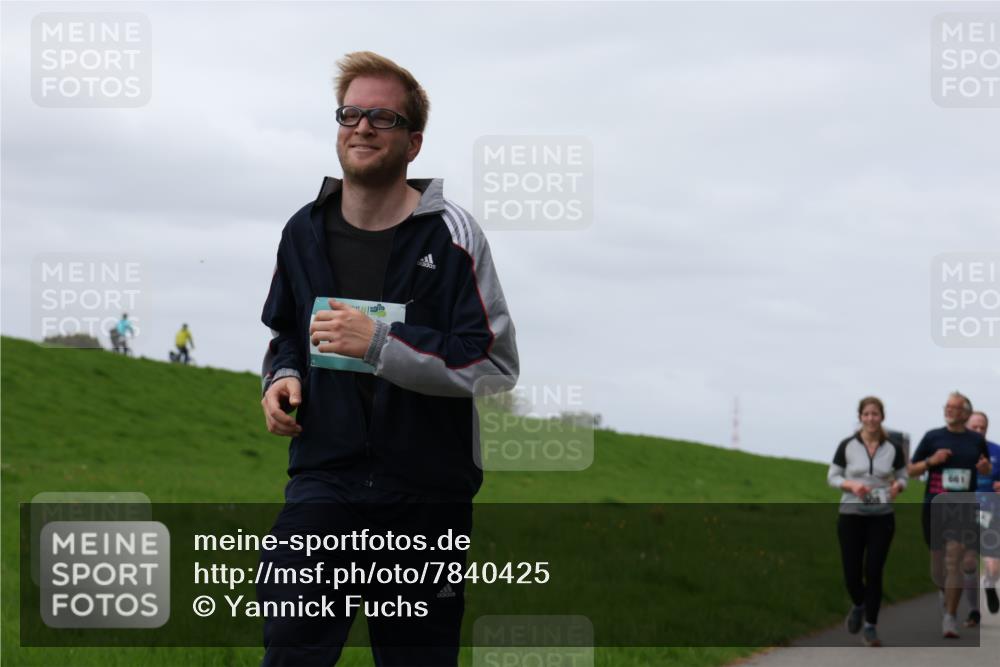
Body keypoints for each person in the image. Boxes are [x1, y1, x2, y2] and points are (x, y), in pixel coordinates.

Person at [257, 51, 518, 666]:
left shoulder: (453, 235)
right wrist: (283, 376)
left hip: (426, 491)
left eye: (382, 117)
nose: (363, 127)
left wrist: (377, 346)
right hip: (325, 479)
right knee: (290, 645)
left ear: (414, 142)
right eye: (350, 113)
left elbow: (493, 364)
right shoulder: (304, 230)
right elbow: (286, 334)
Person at [908, 392, 992, 638]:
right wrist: (931, 461)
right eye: (947, 406)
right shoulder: (932, 437)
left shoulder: (976, 440)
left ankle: (950, 617)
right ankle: (945, 593)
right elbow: (911, 470)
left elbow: (984, 464)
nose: (949, 411)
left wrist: (985, 468)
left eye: (955, 408)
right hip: (934, 506)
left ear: (965, 413)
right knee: (938, 565)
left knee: (953, 559)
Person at [828, 396, 908, 647]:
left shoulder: (893, 447)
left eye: (875, 414)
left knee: (873, 570)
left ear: (882, 417)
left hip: (881, 517)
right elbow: (832, 476)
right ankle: (858, 604)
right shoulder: (847, 445)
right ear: (860, 417)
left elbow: (903, 476)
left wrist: (898, 486)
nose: (871, 418)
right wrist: (850, 484)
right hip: (851, 516)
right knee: (851, 573)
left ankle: (871, 626)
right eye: (866, 414)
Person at [963, 410, 1000, 623]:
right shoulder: (957, 450)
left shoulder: (996, 451)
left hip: (991, 512)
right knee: (968, 562)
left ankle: (989, 584)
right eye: (974, 427)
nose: (978, 431)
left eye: (982, 427)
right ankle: (973, 611)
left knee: (993, 566)